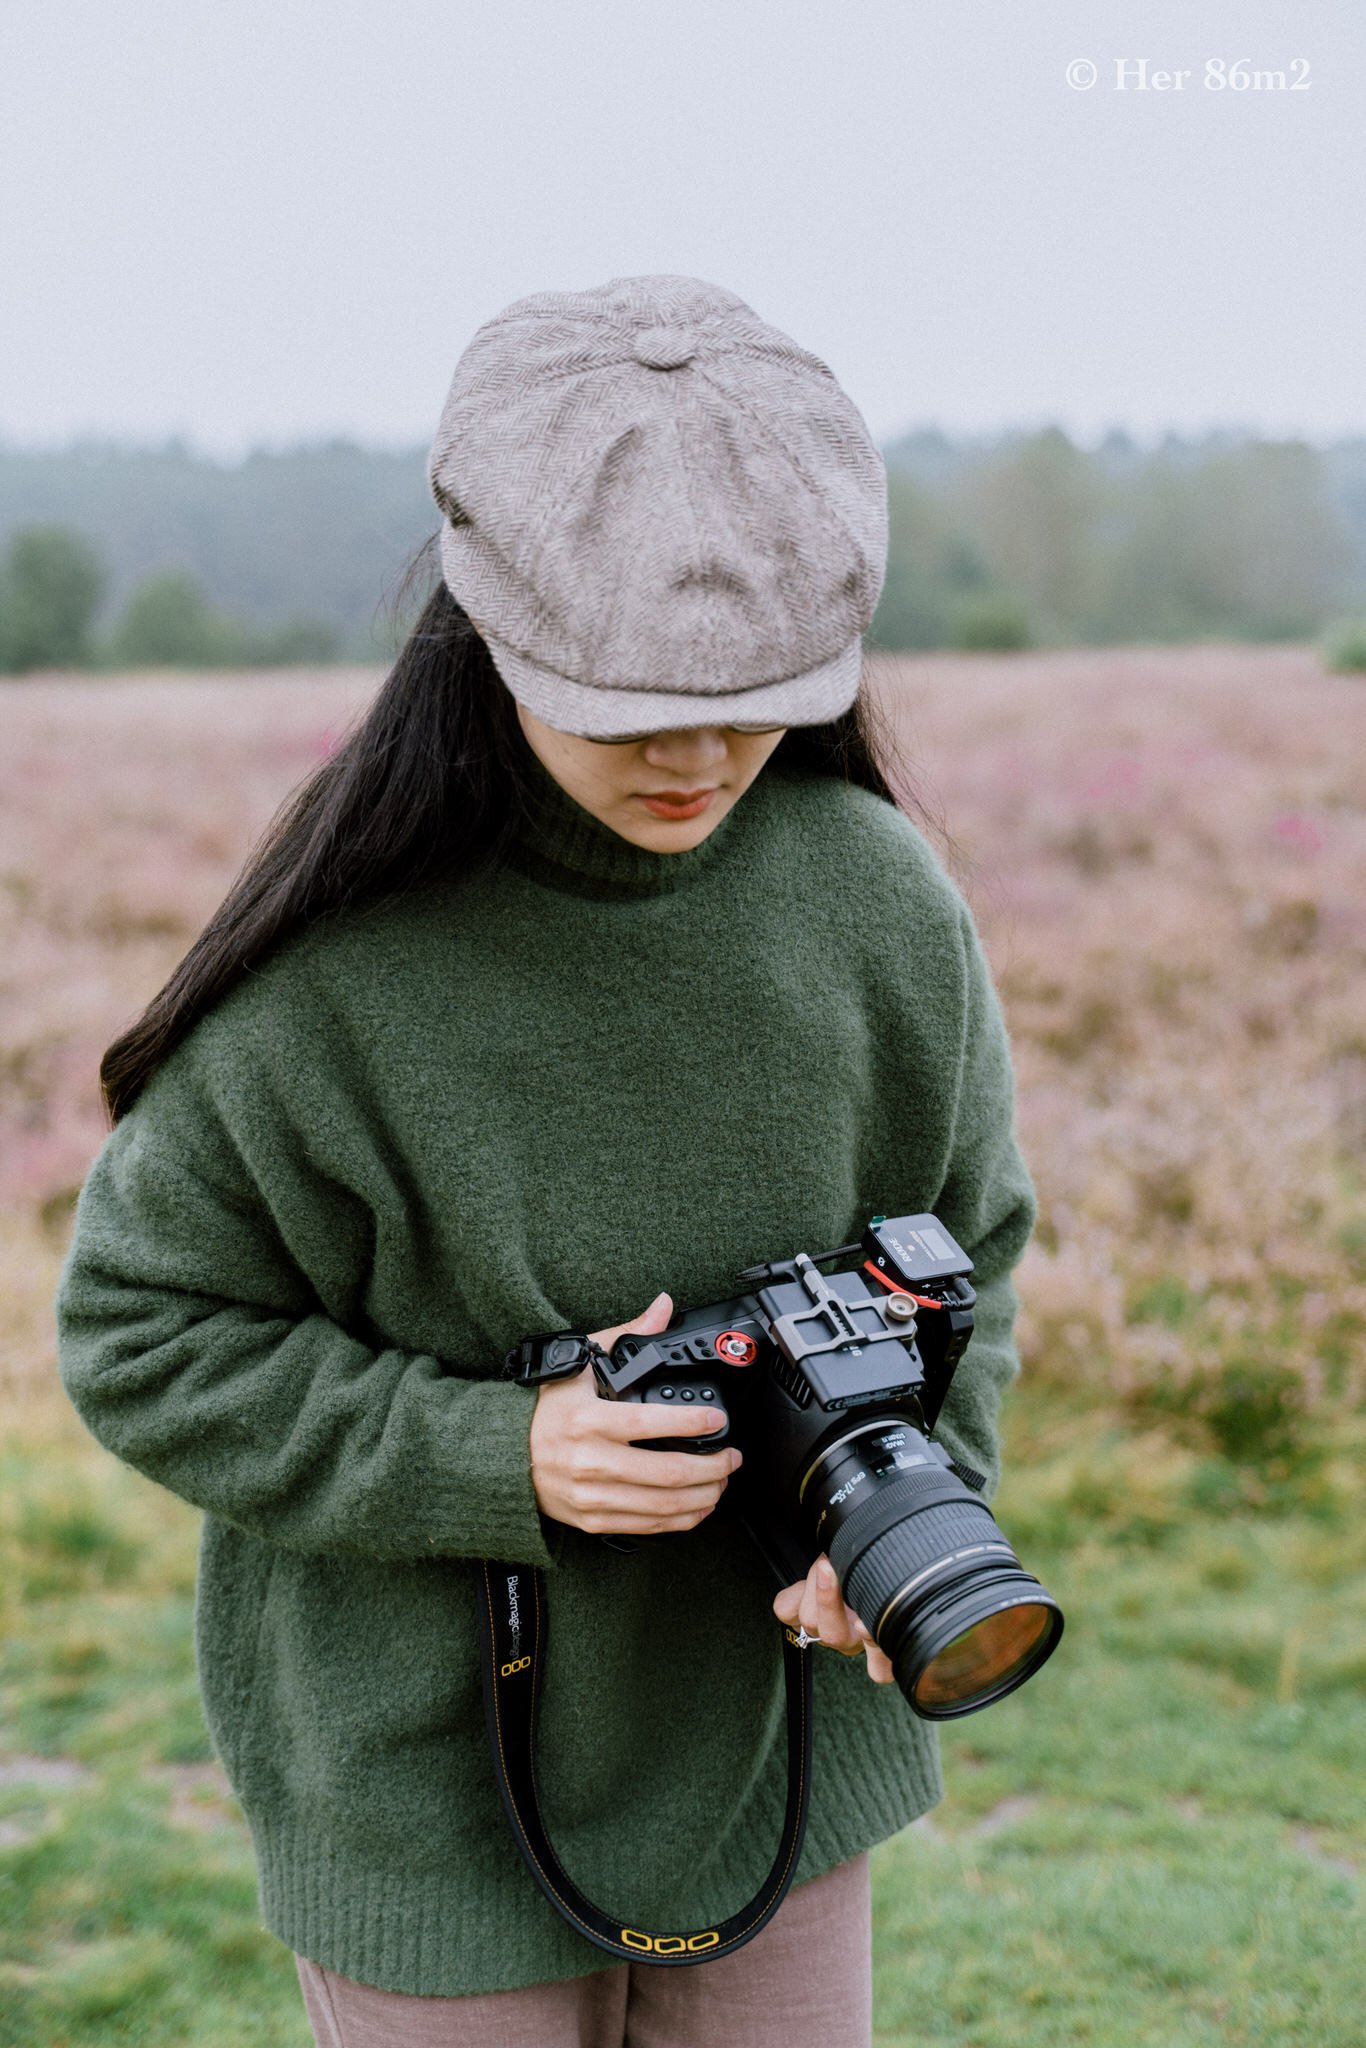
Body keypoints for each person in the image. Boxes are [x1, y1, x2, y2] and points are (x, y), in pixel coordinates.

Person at [55, 274, 1036, 2048]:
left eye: (753, 700)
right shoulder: (329, 988)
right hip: (426, 1781)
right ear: (489, 634)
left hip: (775, 1742)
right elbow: (140, 1336)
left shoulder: (880, 906)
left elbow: (973, 1244)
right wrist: (496, 1451)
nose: (697, 757)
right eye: (630, 703)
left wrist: (899, 1499)